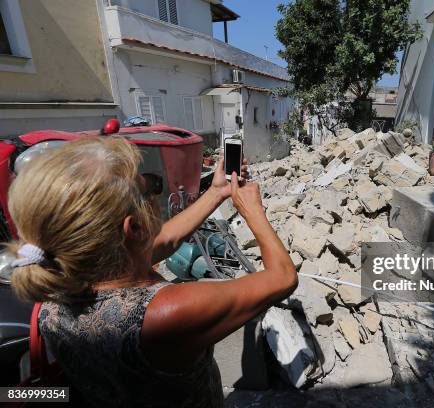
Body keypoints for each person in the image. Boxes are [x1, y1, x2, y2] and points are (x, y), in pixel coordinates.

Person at [7, 137, 297, 407]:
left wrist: (217, 193)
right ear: (133, 227)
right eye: (150, 187)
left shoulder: (57, 283)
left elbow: (164, 240)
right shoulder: (164, 315)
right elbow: (282, 278)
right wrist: (252, 211)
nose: (156, 192)